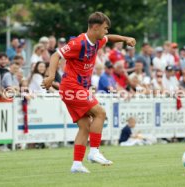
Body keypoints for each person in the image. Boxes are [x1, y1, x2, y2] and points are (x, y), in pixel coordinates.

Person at [42, 12, 136, 173]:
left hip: (77, 88)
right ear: (95, 27)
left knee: (85, 126)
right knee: (100, 113)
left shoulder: (97, 41)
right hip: (72, 87)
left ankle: (77, 164)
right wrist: (51, 75)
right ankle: (94, 152)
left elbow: (110, 38)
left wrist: (125, 38)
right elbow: (56, 55)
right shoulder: (79, 43)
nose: (106, 32)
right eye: (105, 28)